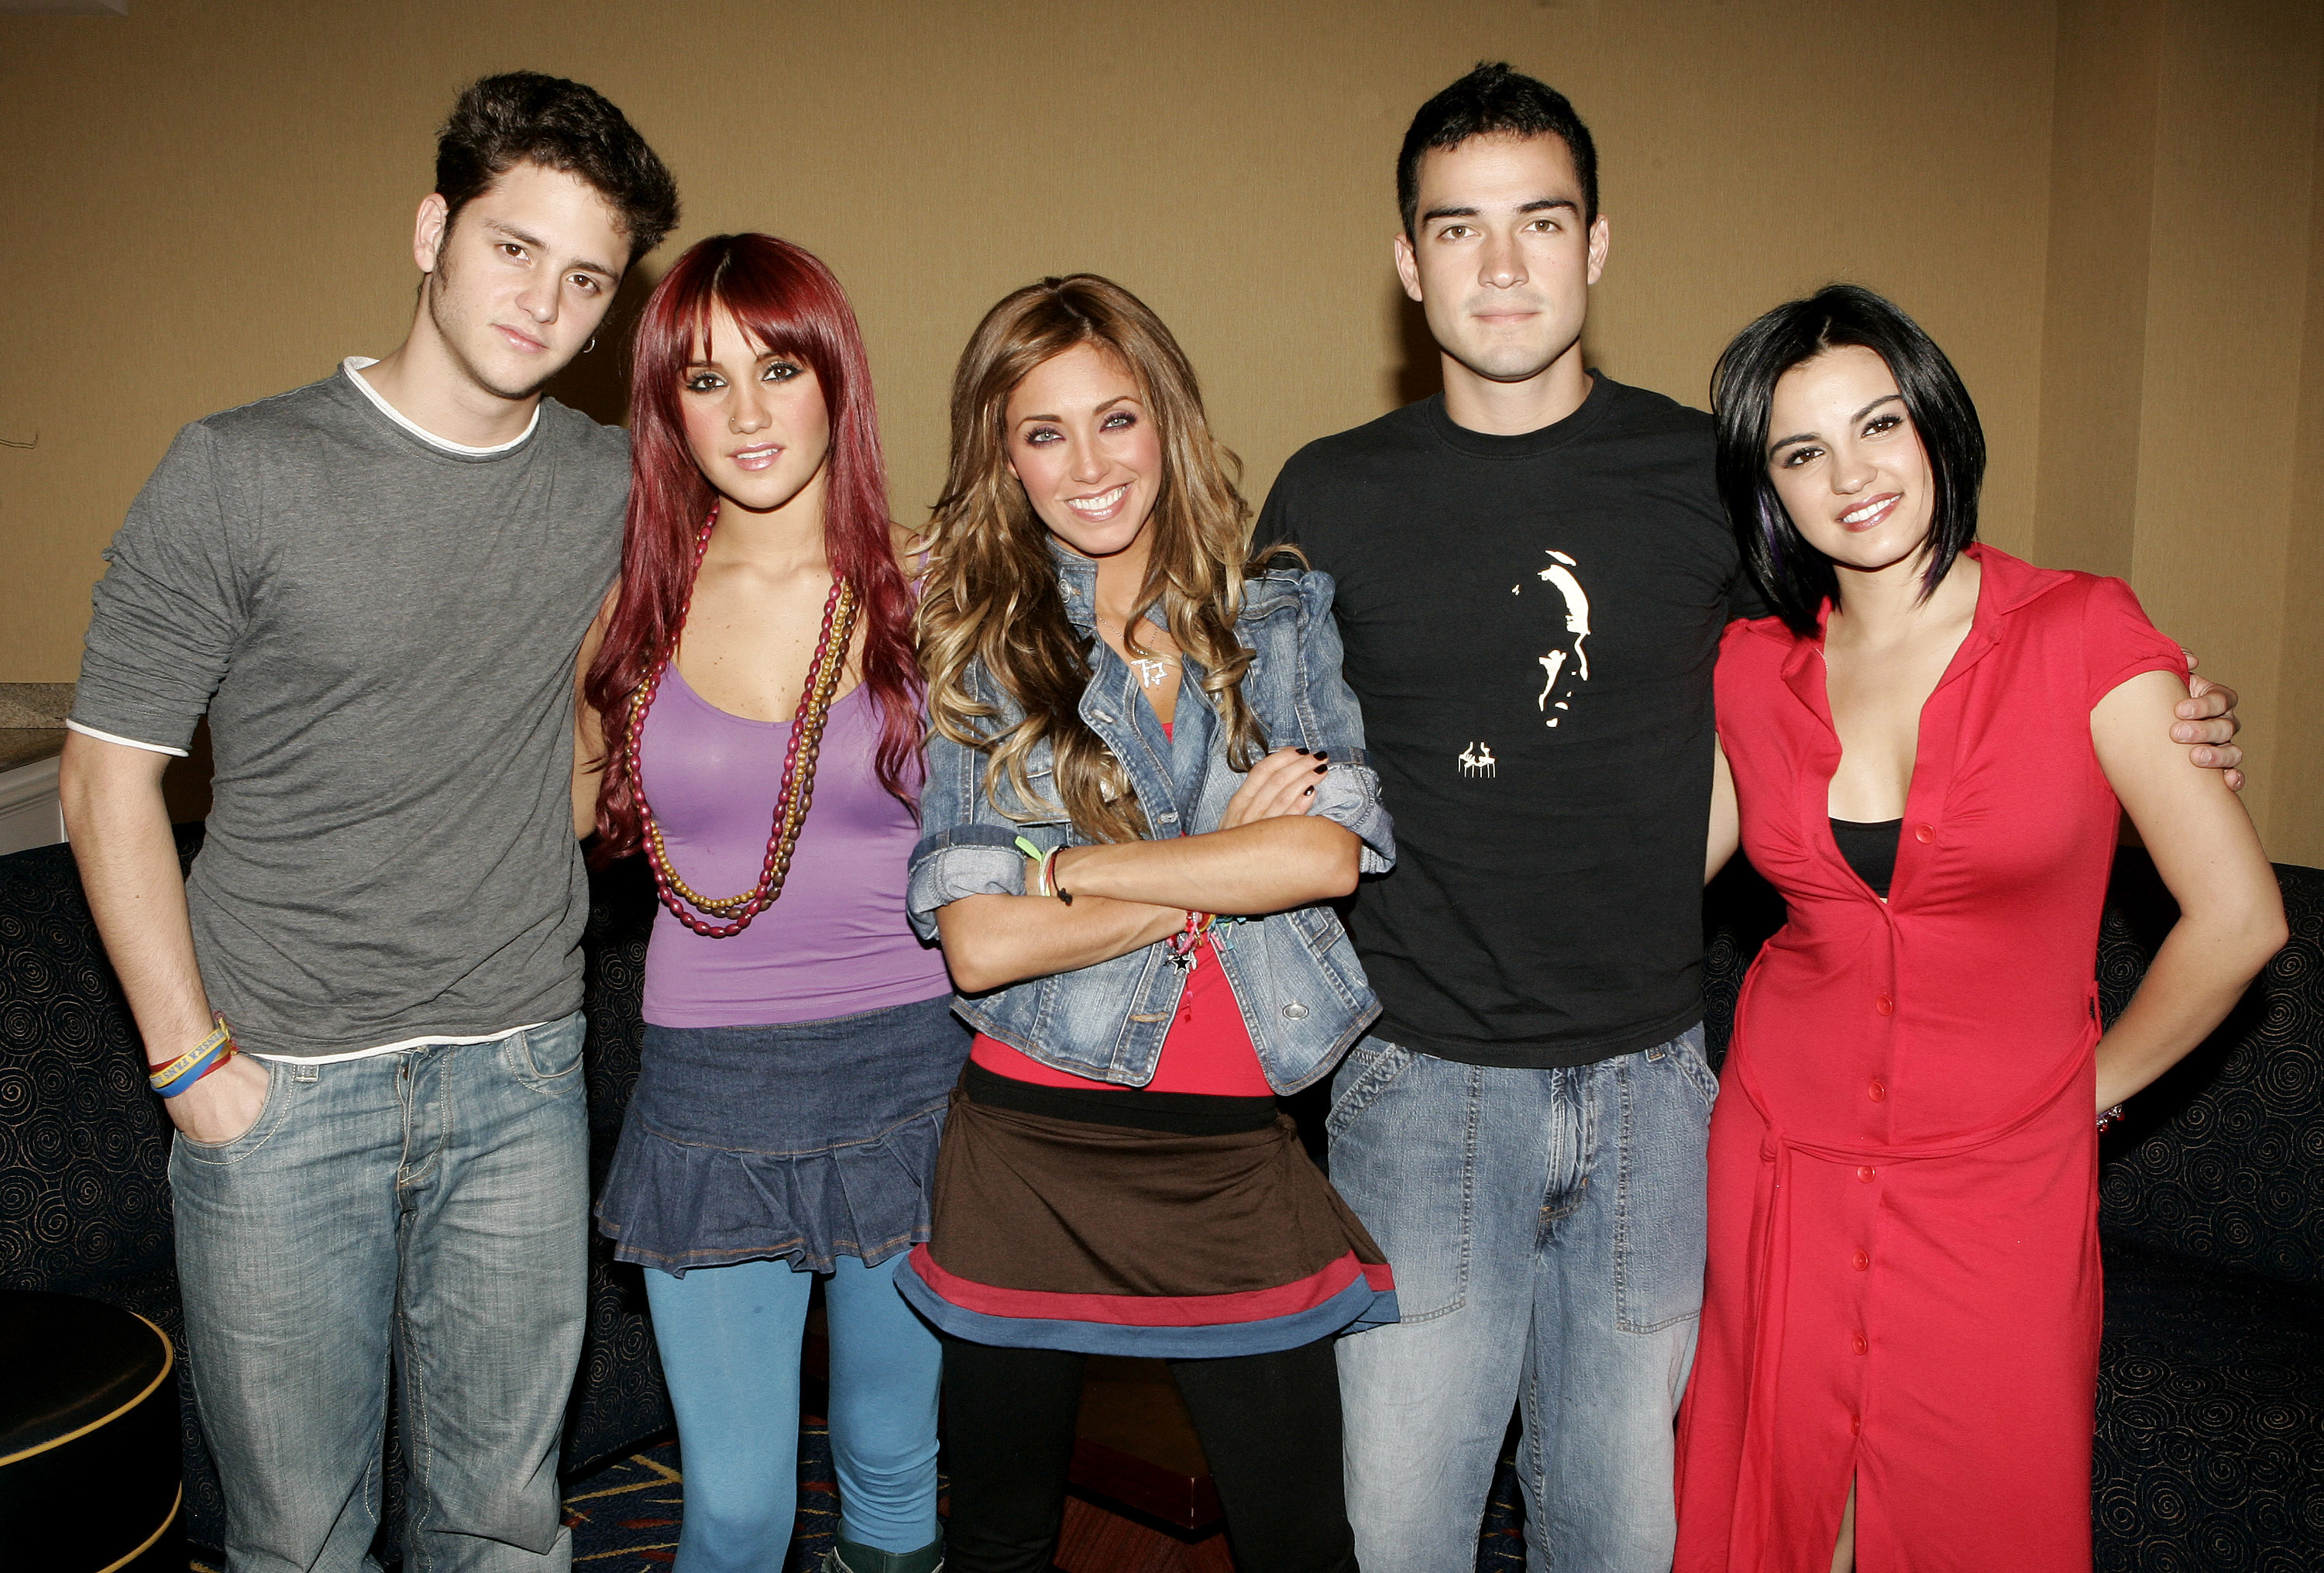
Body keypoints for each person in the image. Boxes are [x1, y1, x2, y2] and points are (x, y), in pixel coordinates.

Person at [1255, 62, 2250, 1573]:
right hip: (1423, 1084)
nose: (1504, 263)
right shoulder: (1326, 493)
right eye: (1459, 229)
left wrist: (2159, 712)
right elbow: (1271, 754)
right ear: (1407, 263)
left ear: (1598, 244)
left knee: (1625, 1526)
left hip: (1660, 1090)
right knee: (1398, 1525)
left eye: (1541, 220)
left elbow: (1917, 608)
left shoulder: (1706, 480)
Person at [58, 74, 676, 1571]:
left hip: (521, 1074)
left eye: (585, 276)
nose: (543, 301)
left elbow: (781, 572)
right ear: (433, 230)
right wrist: (190, 1063)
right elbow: (103, 778)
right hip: (279, 1091)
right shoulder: (239, 469)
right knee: (297, 1536)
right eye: (514, 247)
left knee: (504, 1522)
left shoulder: (613, 481)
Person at [1673, 284, 2284, 1572]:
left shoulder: (2084, 633)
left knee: (1978, 1506)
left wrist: (2085, 1092)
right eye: (1803, 450)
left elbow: (2238, 919)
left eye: (1879, 422)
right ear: (1770, 489)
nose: (1854, 473)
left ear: (1937, 425)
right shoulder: (1747, 668)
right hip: (1781, 1151)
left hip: (2002, 1181)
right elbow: (1635, 888)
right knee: (1782, 1518)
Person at [898, 274, 1398, 1573]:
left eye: (1116, 419)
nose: (1088, 465)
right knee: (1003, 1541)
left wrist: (1069, 873)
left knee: (1304, 1545)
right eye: (1042, 432)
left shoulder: (1278, 615)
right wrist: (1226, 855)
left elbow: (1330, 855)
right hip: (1027, 1152)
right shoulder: (978, 647)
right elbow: (979, 946)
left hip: (1235, 1156)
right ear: (1001, 461)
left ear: (1167, 420)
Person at [576, 234, 960, 1573]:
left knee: (893, 1470)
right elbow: (540, 818)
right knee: (735, 1509)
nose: (744, 413)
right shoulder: (633, 605)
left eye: (777, 368)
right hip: (710, 1097)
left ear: (835, 380)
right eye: (702, 379)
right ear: (664, 411)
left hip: (913, 1075)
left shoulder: (932, 590)